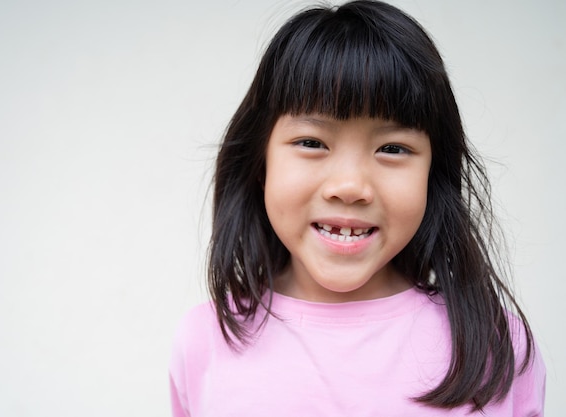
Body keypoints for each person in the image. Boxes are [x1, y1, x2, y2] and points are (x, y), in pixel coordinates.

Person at [169, 1, 546, 415]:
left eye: (392, 148)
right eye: (312, 142)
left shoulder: (495, 348)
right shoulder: (205, 341)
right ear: (261, 164)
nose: (350, 187)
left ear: (432, 174)